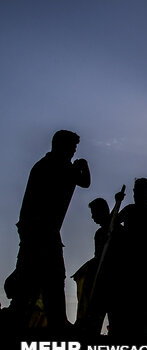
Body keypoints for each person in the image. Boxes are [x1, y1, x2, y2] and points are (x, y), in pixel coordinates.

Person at [6, 130, 90, 331]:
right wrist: (83, 166)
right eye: (71, 148)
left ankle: (56, 322)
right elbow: (84, 181)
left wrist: (82, 167)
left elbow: (83, 182)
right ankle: (48, 322)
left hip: (45, 233)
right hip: (38, 234)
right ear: (62, 147)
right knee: (37, 283)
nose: (73, 152)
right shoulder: (52, 166)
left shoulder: (56, 166)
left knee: (50, 280)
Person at [115, 178, 147, 338]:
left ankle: (140, 340)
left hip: (143, 260)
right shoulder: (128, 209)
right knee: (124, 303)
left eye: (140, 191)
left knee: (143, 305)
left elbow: (146, 236)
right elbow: (111, 224)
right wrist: (117, 203)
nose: (136, 194)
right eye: (135, 191)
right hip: (127, 260)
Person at [72, 197, 126, 335]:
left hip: (115, 282)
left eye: (94, 213)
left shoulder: (117, 231)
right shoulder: (100, 234)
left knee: (117, 321)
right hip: (100, 282)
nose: (92, 217)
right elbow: (98, 257)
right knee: (95, 317)